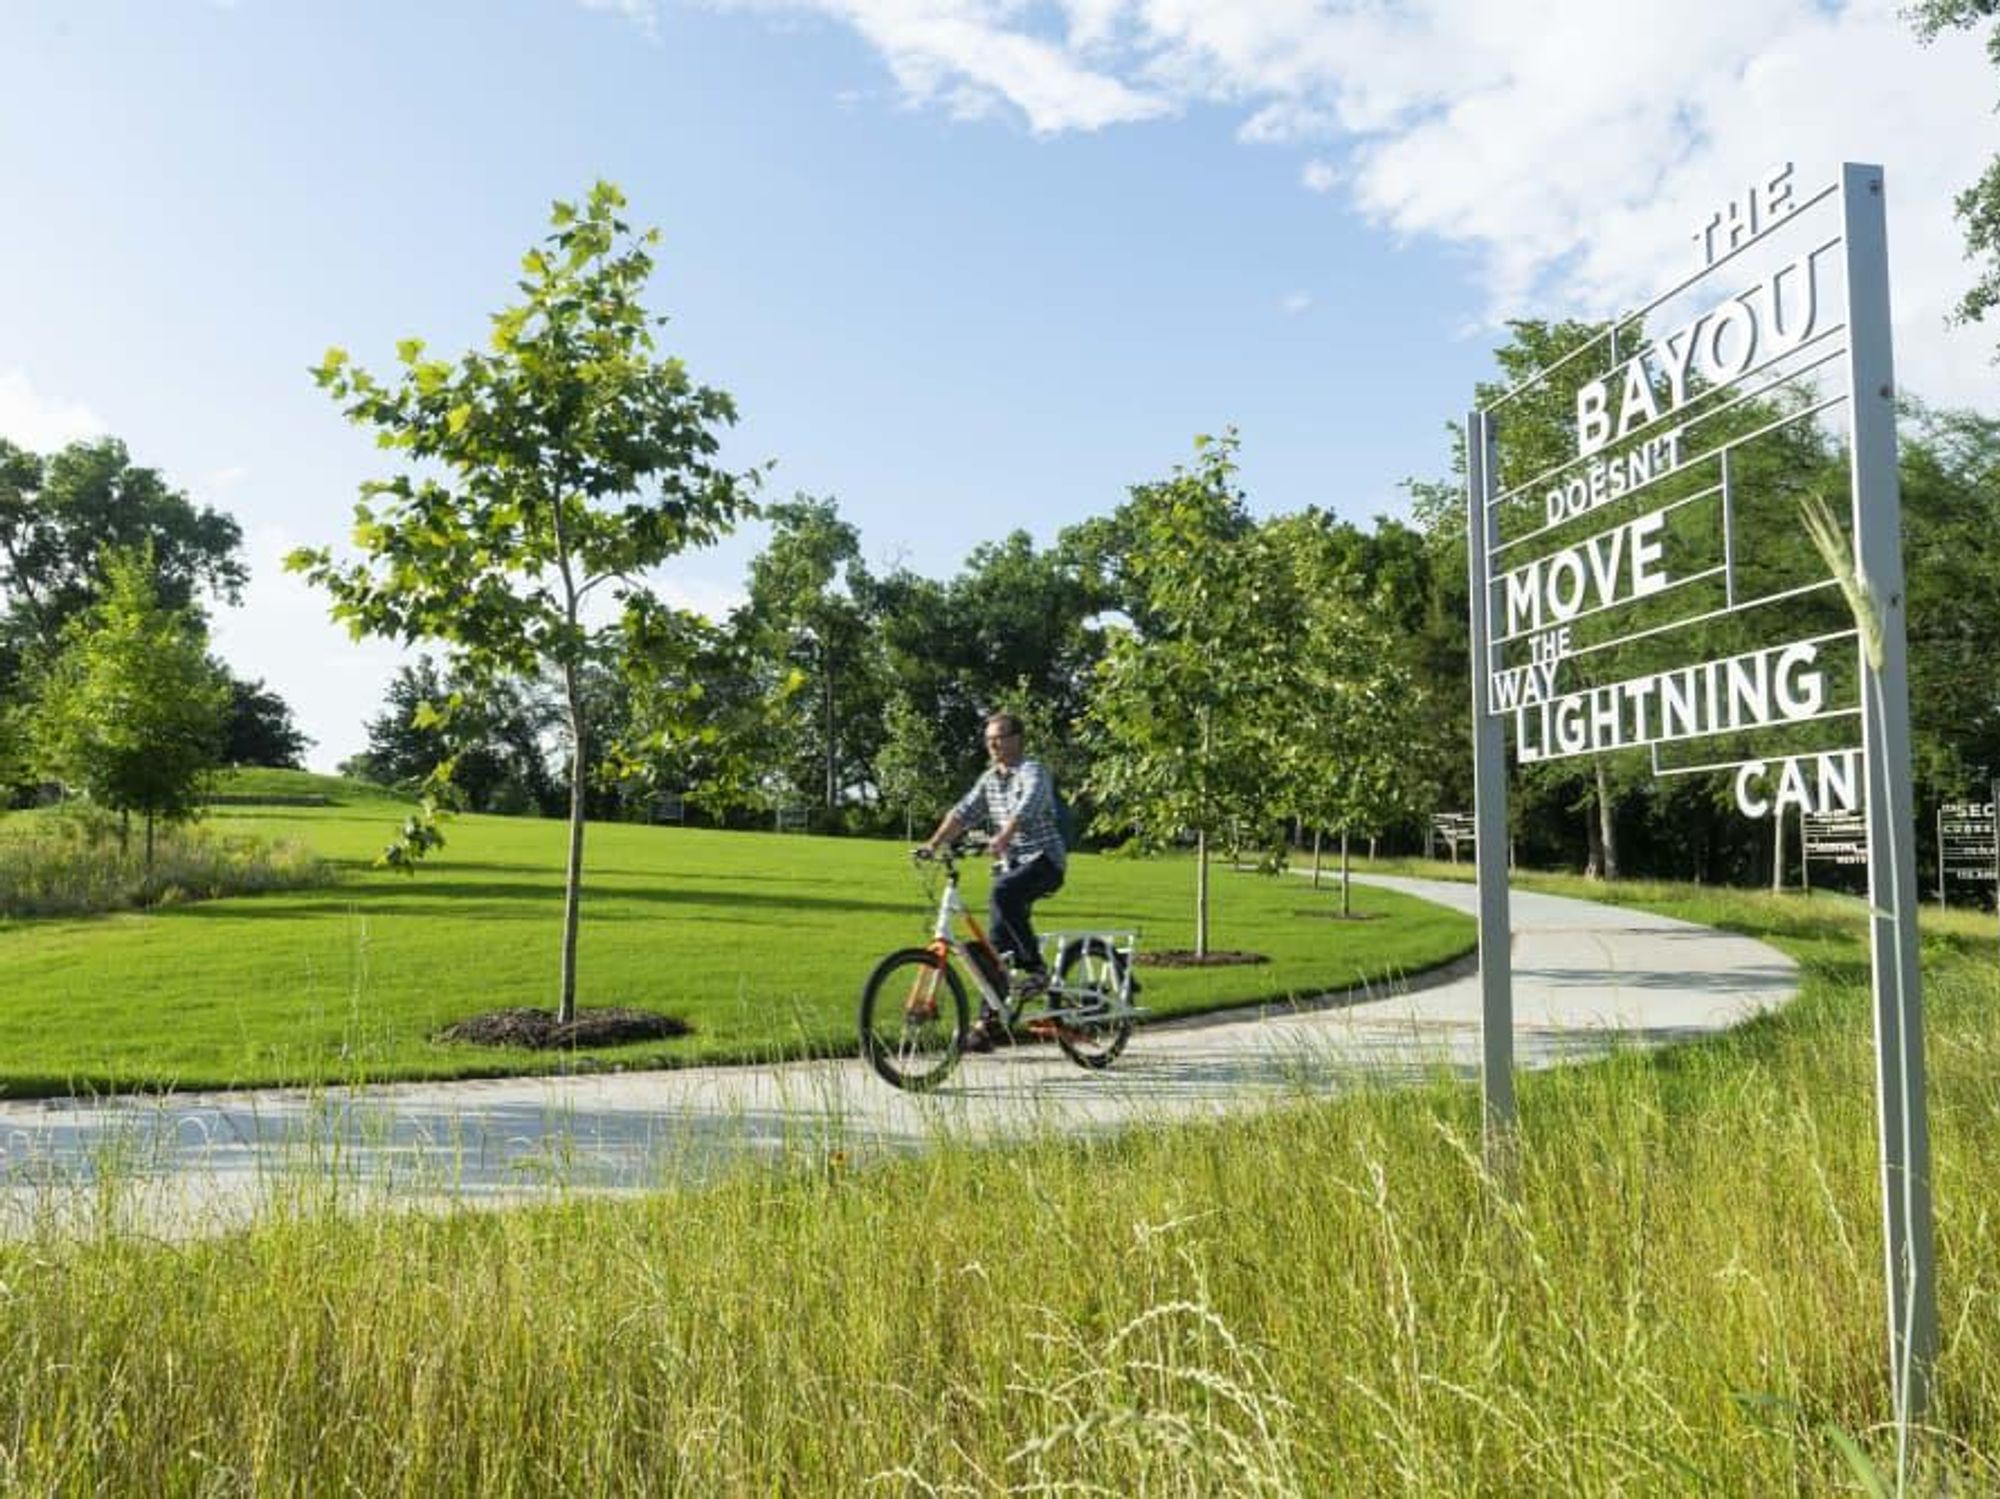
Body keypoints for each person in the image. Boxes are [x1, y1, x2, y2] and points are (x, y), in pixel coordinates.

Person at [922, 711, 1066, 1050]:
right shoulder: (989, 779)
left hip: (1044, 861)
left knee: (1003, 892)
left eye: (999, 738)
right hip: (1012, 865)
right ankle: (989, 1024)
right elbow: (962, 812)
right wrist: (933, 844)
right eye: (989, 740)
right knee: (995, 947)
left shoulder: (1032, 771)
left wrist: (1004, 835)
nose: (993, 745)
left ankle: (1036, 971)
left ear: (1017, 739)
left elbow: (1028, 806)